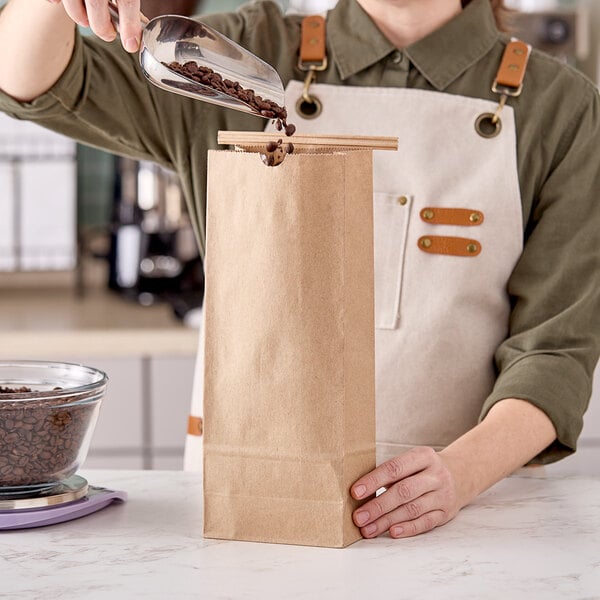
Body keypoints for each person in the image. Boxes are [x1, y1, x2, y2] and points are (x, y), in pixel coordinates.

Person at [0, 0, 598, 540]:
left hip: (456, 520)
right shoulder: (247, 54)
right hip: (250, 508)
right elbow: (30, 80)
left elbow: (554, 354)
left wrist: (459, 476)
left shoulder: (559, 107)